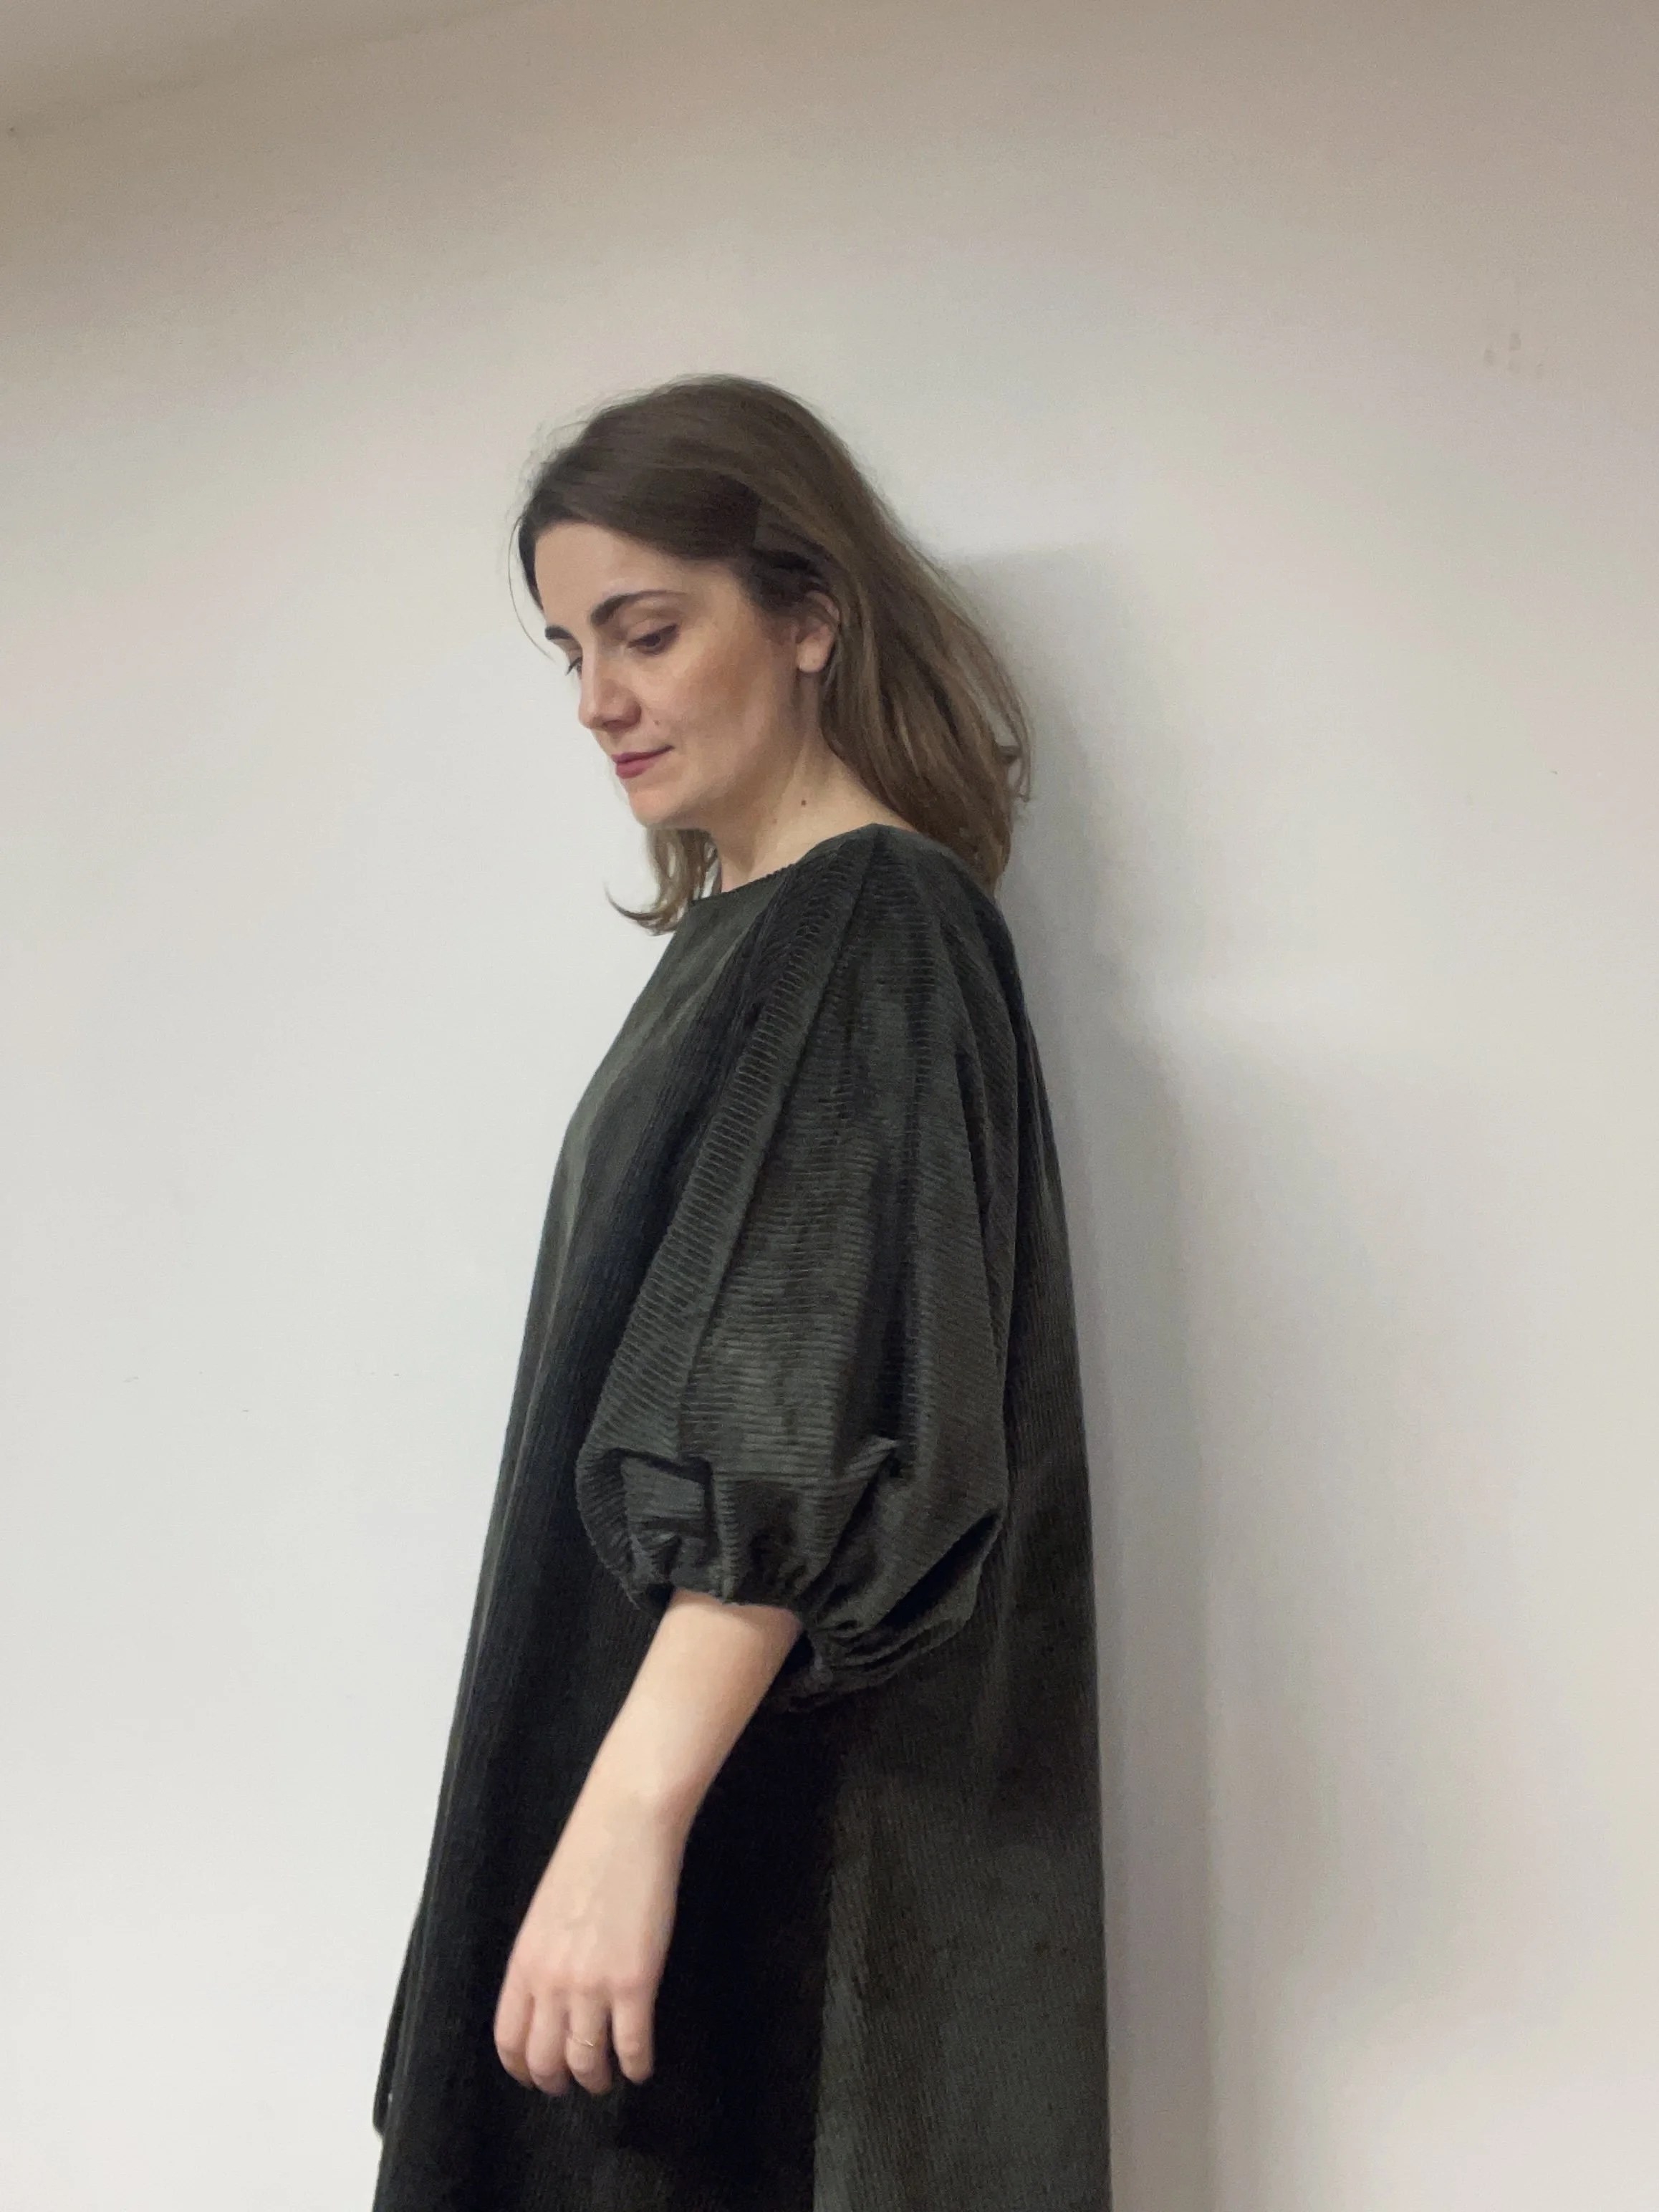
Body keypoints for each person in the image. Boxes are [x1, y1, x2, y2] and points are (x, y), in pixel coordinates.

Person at [370, 374, 1110, 2212]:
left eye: (647, 630)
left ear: (809, 617)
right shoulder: (748, 936)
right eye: (572, 651)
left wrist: (628, 1816)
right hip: (669, 1785)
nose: (598, 698)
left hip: (746, 1832)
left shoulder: (877, 920)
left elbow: (799, 1418)